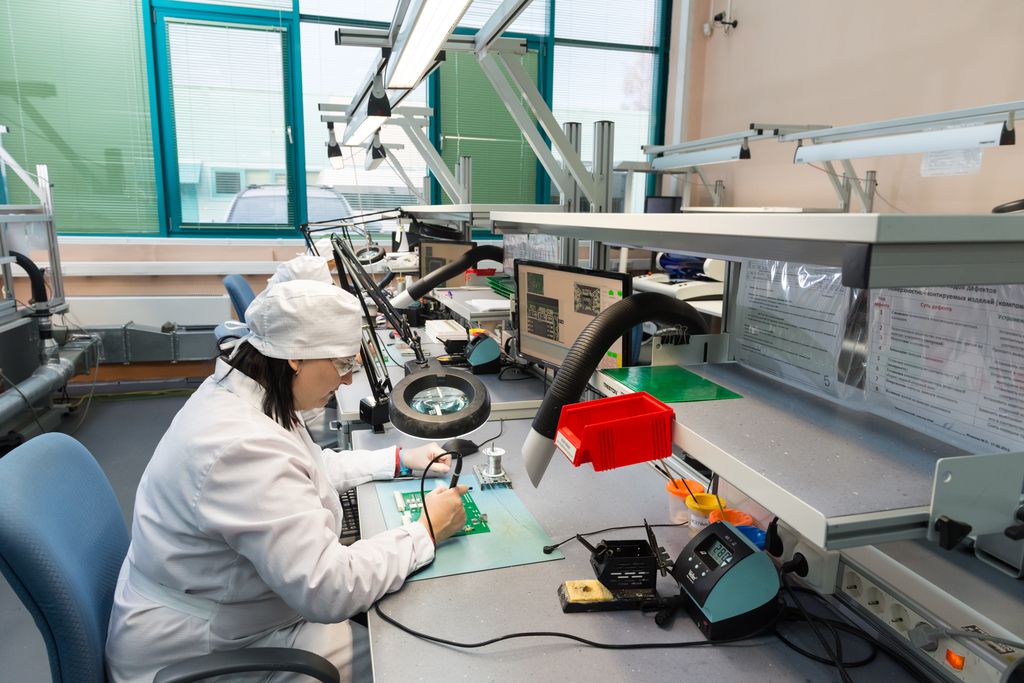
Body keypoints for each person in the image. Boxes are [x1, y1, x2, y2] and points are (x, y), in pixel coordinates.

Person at [105, 280, 468, 682]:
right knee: (416, 663)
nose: (348, 381)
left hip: (239, 612)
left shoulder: (244, 391)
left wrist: (397, 460)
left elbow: (303, 468)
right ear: (295, 355)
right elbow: (329, 588)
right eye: (342, 365)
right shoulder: (242, 445)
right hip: (204, 650)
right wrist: (425, 531)